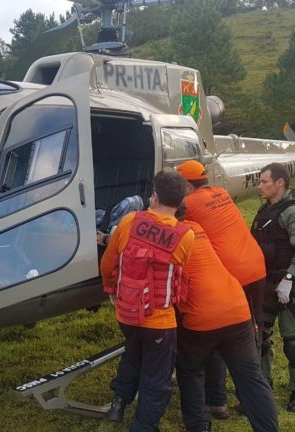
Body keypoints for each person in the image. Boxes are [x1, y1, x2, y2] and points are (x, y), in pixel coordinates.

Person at [100, 171, 194, 431]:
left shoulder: (129, 220)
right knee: (156, 378)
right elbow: (180, 269)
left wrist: (112, 290)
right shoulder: (185, 235)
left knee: (133, 353)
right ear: (181, 201)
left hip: (127, 313)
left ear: (154, 196)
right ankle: (143, 426)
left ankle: (119, 403)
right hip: (159, 321)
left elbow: (108, 263)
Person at [176, 160, 267, 419]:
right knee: (253, 333)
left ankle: (218, 400)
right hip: (256, 266)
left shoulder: (189, 205)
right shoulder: (222, 193)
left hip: (233, 274)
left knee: (218, 339)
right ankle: (251, 396)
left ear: (186, 186)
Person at [175, 217, 278, 432]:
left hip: (202, 316)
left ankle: (198, 426)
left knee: (190, 370)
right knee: (251, 377)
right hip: (237, 308)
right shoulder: (197, 227)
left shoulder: (163, 232)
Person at [251, 162, 295, 412]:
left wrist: (289, 279)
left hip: (287, 285)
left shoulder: (293, 213)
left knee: (293, 343)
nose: (260, 186)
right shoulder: (264, 211)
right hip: (264, 284)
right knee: (260, 339)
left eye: (264, 182)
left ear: (280, 183)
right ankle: (263, 388)